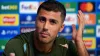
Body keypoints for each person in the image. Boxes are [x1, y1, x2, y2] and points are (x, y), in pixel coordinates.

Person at [2, 0, 89, 56]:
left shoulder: (66, 46)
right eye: (42, 20)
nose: (45, 27)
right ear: (36, 21)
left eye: (52, 22)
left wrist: (79, 40)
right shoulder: (17, 44)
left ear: (61, 28)